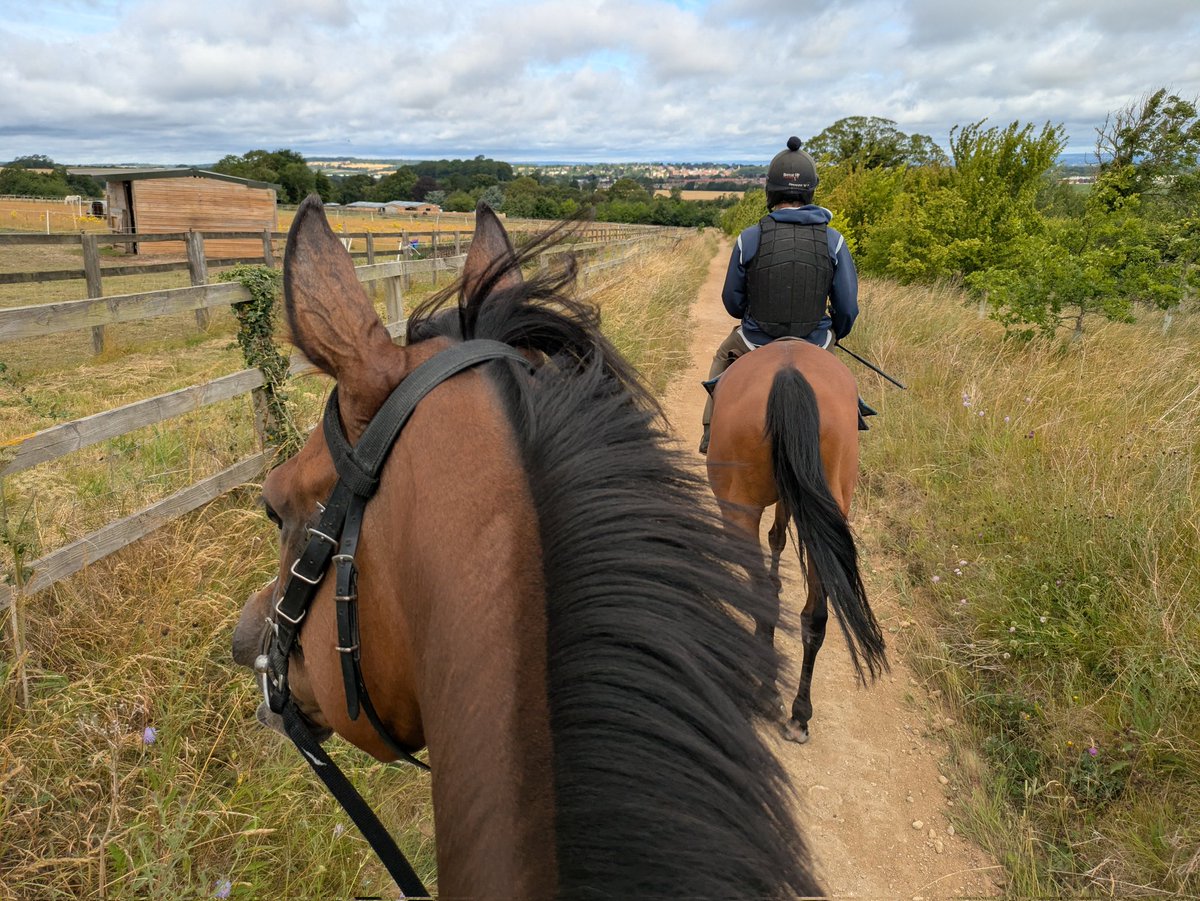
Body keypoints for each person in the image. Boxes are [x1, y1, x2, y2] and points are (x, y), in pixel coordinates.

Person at [699, 136, 873, 454]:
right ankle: (852, 419)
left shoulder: (748, 239)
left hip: (755, 339)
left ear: (772, 191)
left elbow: (731, 303)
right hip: (816, 341)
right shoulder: (834, 241)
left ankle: (710, 432)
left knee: (722, 357)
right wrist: (836, 332)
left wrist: (753, 310)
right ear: (810, 190)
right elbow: (848, 307)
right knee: (842, 385)